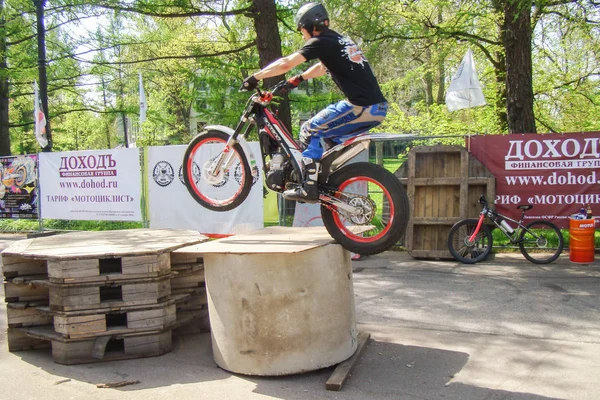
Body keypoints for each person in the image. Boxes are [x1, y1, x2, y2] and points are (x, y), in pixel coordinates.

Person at [242, 2, 388, 201]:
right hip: (375, 107)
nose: (302, 35)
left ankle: (309, 186)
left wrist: (256, 77)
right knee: (325, 141)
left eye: (302, 30)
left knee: (310, 129)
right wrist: (298, 79)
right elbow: (322, 67)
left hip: (361, 106)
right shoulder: (337, 40)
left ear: (310, 25)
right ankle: (324, 180)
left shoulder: (320, 42)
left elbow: (285, 64)